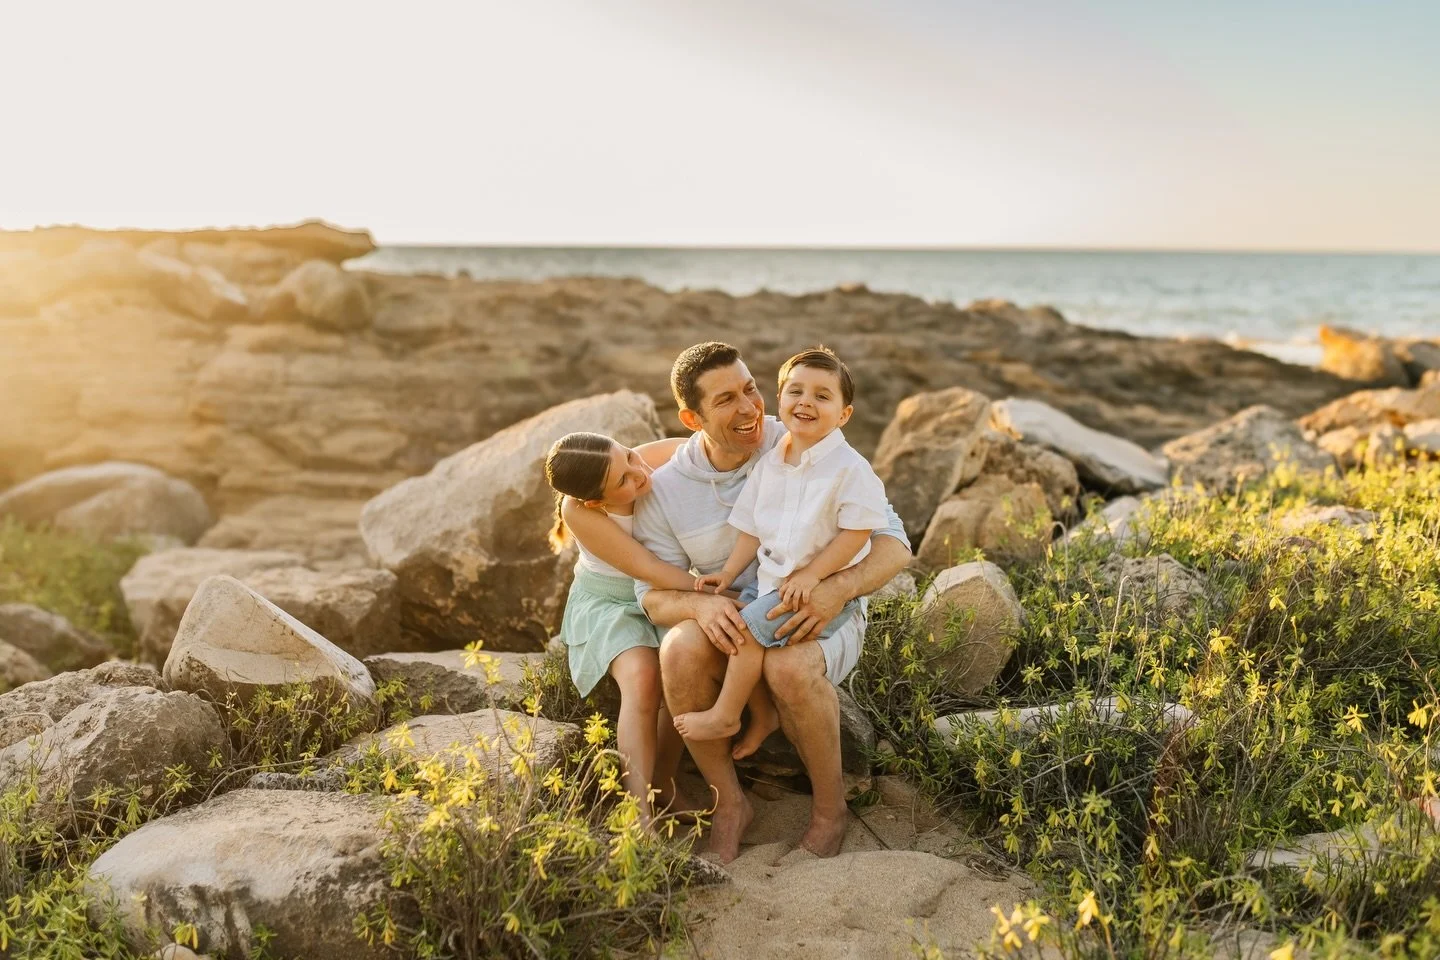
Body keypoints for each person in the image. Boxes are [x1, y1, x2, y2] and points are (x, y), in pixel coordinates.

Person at [632, 342, 912, 862]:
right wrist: (702, 603)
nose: (749, 409)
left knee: (789, 667)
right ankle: (730, 804)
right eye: (726, 401)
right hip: (747, 602)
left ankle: (830, 811)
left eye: (751, 389)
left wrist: (836, 588)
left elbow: (893, 542)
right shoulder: (665, 491)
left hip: (819, 601)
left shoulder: (803, 435)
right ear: (692, 417)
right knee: (679, 650)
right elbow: (650, 597)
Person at [674, 347, 890, 764]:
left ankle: (727, 715)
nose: (806, 402)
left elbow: (857, 532)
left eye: (822, 396)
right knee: (740, 618)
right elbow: (751, 530)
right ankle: (763, 715)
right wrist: (727, 573)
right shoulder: (770, 461)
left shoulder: (850, 468)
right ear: (780, 400)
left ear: (844, 414)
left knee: (746, 630)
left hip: (816, 590)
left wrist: (814, 575)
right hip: (771, 583)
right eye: (796, 392)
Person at [545, 431, 699, 823]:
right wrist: (715, 592)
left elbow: (717, 443)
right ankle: (638, 811)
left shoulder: (657, 456)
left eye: (628, 455)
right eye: (623, 481)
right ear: (596, 500)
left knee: (686, 668)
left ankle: (664, 779)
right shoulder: (578, 512)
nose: (639, 472)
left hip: (665, 591)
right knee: (644, 676)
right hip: (612, 601)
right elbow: (648, 569)